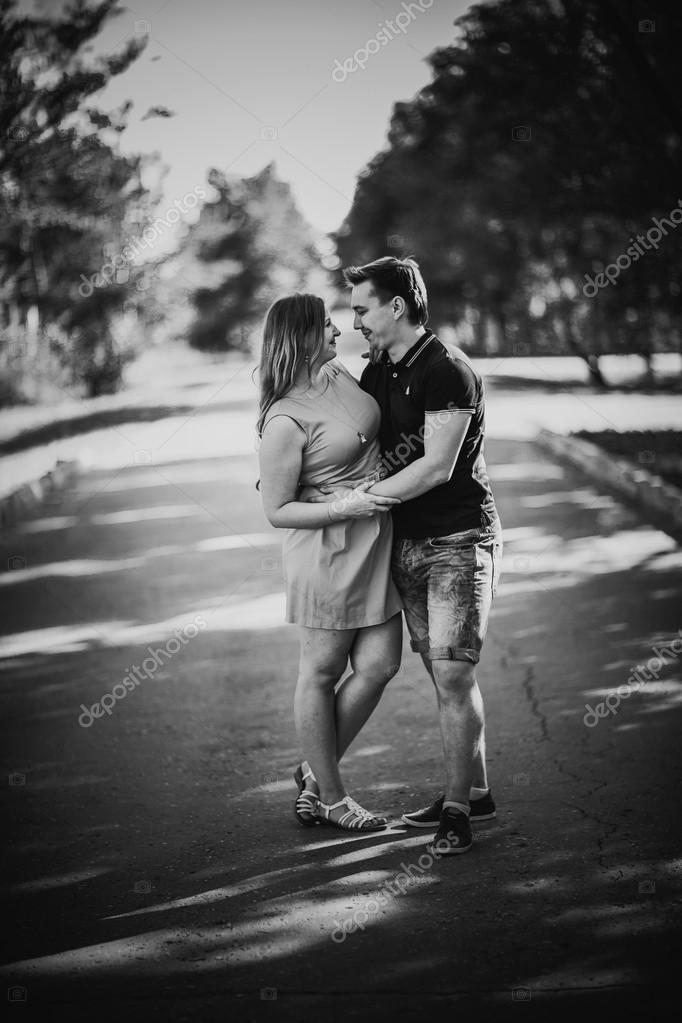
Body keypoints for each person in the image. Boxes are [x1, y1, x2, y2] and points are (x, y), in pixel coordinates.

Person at [309, 257, 502, 855]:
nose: (355, 320)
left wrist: (356, 499)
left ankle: (454, 814)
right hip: (401, 541)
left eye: (362, 307)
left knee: (452, 672)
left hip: (457, 538)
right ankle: (477, 793)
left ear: (397, 306)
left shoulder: (448, 370)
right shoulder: (376, 372)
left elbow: (435, 467)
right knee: (442, 673)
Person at [257, 292, 404, 833]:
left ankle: (313, 773)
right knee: (321, 672)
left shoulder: (339, 374)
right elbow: (276, 509)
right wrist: (346, 502)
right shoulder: (284, 419)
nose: (337, 331)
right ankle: (333, 796)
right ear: (302, 337)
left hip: (374, 541)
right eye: (325, 325)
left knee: (381, 665)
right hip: (328, 553)